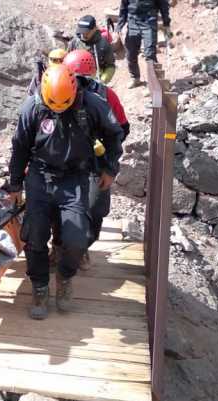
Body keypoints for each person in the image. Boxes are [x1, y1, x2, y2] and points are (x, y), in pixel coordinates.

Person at [8, 65, 123, 320]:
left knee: (76, 237)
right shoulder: (33, 107)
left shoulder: (92, 104)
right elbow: (19, 148)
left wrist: (109, 168)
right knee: (35, 234)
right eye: (54, 104)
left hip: (75, 177)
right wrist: (15, 185)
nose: (59, 109)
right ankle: (39, 286)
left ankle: (64, 277)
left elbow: (115, 136)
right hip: (40, 176)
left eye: (64, 104)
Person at [60, 49, 130, 268]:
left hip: (95, 162)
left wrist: (105, 155)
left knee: (95, 208)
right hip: (66, 159)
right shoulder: (58, 93)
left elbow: (122, 128)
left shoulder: (106, 96)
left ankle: (82, 249)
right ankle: (62, 247)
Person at [118, 0, 171, 88]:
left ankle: (154, 85)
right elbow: (123, 6)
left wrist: (166, 23)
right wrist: (119, 26)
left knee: (150, 55)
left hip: (149, 21)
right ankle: (135, 78)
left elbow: (163, 5)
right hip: (133, 21)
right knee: (131, 53)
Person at [67, 15, 117, 84]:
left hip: (94, 82)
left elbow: (111, 66)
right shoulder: (75, 42)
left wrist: (103, 80)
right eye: (82, 32)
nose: (84, 35)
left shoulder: (103, 44)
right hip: (76, 80)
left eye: (87, 32)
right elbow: (67, 61)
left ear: (94, 29)